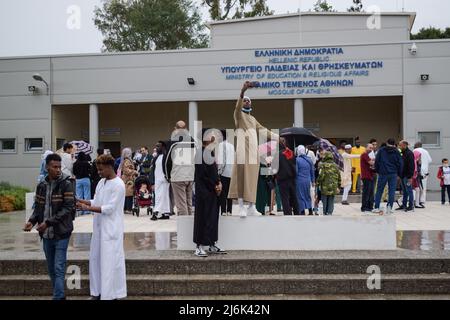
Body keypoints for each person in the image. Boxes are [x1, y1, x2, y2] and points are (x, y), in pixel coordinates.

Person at [23, 153, 75, 300]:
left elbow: (68, 208)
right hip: (46, 235)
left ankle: (57, 297)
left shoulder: (66, 183)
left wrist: (48, 223)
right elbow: (38, 208)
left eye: (59, 167)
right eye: (54, 167)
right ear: (47, 167)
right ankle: (60, 295)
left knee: (59, 267)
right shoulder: (41, 185)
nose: (58, 170)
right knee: (51, 269)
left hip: (62, 233)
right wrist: (31, 221)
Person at [77, 154, 127, 300]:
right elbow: (96, 201)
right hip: (99, 230)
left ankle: (111, 294)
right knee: (95, 261)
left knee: (110, 263)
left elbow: (109, 208)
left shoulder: (118, 184)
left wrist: (86, 208)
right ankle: (96, 292)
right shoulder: (101, 182)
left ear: (110, 167)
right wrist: (81, 201)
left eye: (101, 170)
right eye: (98, 170)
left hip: (111, 231)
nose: (98, 172)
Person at [228, 81, 278, 217]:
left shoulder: (253, 119)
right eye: (244, 101)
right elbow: (237, 108)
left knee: (252, 180)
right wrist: (243, 92)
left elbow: (263, 130)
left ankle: (251, 206)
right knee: (241, 179)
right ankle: (241, 207)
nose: (246, 102)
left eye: (248, 101)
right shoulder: (239, 116)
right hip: (242, 152)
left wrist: (277, 137)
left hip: (253, 154)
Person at [193, 133, 226, 257]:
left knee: (212, 218)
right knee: (202, 218)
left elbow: (213, 172)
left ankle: (212, 243)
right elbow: (203, 175)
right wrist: (216, 184)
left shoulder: (208, 153)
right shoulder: (201, 154)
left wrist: (218, 183)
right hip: (204, 192)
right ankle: (198, 246)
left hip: (211, 191)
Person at [164, 121, 196, 216]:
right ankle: (190, 227)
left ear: (175, 129)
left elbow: (167, 162)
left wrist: (167, 176)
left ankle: (184, 228)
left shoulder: (173, 142)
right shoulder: (192, 142)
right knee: (188, 203)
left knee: (181, 205)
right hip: (190, 176)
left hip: (178, 176)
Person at [372, 139, 403, 215]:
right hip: (393, 174)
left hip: (383, 173)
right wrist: (399, 174)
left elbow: (377, 161)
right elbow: (400, 163)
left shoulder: (381, 150)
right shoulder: (397, 151)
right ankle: (389, 207)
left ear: (386, 143)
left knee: (379, 190)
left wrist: (377, 171)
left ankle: (376, 207)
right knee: (391, 191)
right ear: (394, 144)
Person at [276, 137, 299, 215]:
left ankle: (287, 213)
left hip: (282, 179)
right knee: (294, 196)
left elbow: (275, 168)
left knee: (284, 198)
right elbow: (295, 164)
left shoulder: (277, 154)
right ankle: (297, 212)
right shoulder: (291, 152)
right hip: (292, 178)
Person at [317, 151, 341, 216]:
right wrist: (339, 186)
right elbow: (339, 177)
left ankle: (324, 212)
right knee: (331, 199)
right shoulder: (336, 166)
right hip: (333, 186)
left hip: (325, 186)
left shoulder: (323, 165)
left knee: (324, 199)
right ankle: (330, 212)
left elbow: (321, 176)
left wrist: (317, 183)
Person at [216, 133, 235, 216]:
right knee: (229, 192)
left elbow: (221, 159)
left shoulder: (220, 145)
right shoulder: (231, 146)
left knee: (223, 192)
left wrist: (218, 171)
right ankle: (229, 210)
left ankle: (223, 210)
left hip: (223, 172)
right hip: (231, 172)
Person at [153, 141, 171, 220]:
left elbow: (169, 167)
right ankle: (165, 213)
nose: (156, 148)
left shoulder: (166, 156)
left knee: (160, 196)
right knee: (163, 196)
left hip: (164, 179)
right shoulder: (157, 157)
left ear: (163, 147)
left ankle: (156, 212)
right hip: (157, 179)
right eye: (156, 146)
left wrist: (168, 177)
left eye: (158, 146)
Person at [397, 140, 415, 212]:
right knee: (404, 191)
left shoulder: (409, 153)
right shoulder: (402, 153)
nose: (399, 147)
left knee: (409, 191)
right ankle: (404, 205)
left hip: (407, 176)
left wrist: (410, 177)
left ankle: (411, 206)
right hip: (402, 175)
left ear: (404, 145)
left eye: (400, 145)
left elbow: (411, 166)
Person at [296, 145, 315, 215]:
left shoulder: (297, 160)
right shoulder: (309, 159)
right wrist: (313, 181)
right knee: (307, 195)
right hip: (308, 180)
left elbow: (296, 171)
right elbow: (312, 171)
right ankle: (310, 210)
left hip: (299, 180)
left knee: (300, 195)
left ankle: (302, 211)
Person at [118, 148, 138, 214]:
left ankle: (126, 208)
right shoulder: (127, 161)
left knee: (126, 194)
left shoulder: (125, 160)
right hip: (128, 179)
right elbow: (127, 170)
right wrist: (134, 172)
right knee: (129, 194)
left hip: (126, 179)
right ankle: (128, 209)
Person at [414, 142, 433, 207]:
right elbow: (430, 160)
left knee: (416, 187)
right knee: (423, 187)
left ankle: (415, 200)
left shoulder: (414, 151)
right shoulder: (425, 151)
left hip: (416, 170)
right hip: (425, 171)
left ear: (416, 146)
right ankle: (422, 201)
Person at [360, 144, 376, 213]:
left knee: (371, 192)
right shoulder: (364, 154)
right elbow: (371, 163)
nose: (371, 149)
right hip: (366, 176)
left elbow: (371, 163)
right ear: (366, 147)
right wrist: (375, 161)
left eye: (372, 148)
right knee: (366, 192)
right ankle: (364, 207)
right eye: (369, 147)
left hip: (370, 176)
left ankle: (370, 206)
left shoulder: (367, 156)